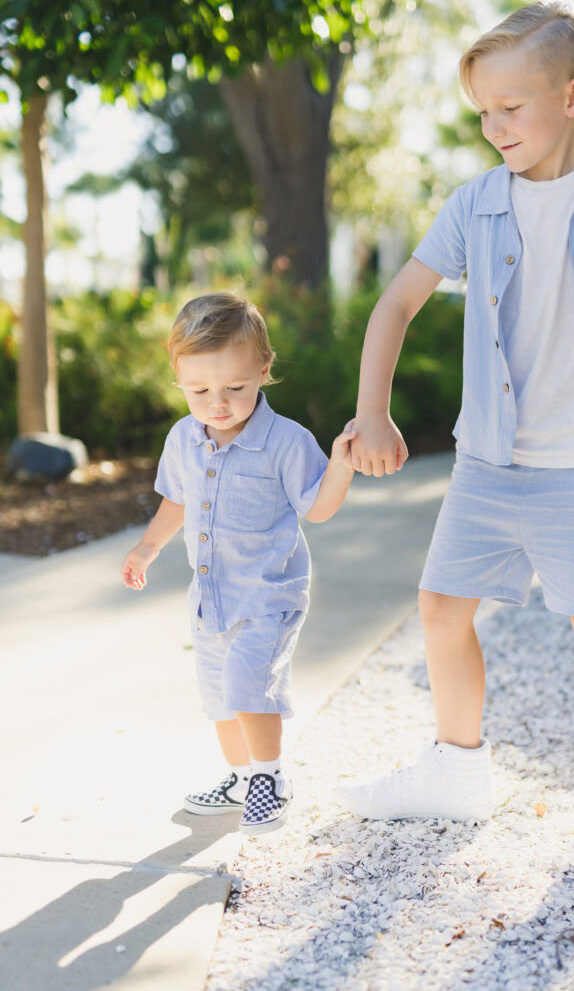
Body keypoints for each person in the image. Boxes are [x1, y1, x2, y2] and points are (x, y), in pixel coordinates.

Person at [338, 3, 574, 876]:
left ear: (573, 97)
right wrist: (371, 411)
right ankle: (457, 768)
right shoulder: (474, 204)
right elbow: (395, 304)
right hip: (491, 461)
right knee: (441, 608)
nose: (495, 128)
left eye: (511, 108)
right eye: (483, 113)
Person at [122, 292, 356, 835]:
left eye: (235, 388)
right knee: (221, 700)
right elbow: (176, 502)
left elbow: (317, 509)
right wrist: (146, 548)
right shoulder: (183, 438)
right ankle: (241, 777)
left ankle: (270, 778)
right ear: (178, 379)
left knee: (251, 686)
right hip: (210, 599)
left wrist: (341, 467)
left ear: (263, 371)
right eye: (200, 390)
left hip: (267, 594)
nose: (218, 403)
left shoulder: (286, 442)